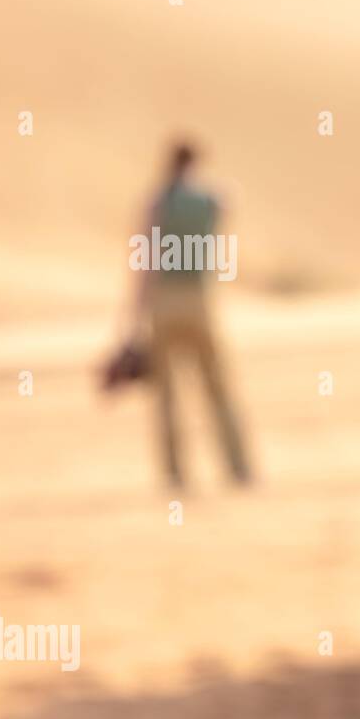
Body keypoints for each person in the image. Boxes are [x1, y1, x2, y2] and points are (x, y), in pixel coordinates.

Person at [129, 141, 251, 488]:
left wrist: (133, 318)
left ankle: (175, 474)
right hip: (199, 301)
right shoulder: (208, 199)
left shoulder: (156, 202)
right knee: (217, 386)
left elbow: (145, 263)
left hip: (163, 302)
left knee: (167, 394)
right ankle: (237, 466)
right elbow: (230, 199)